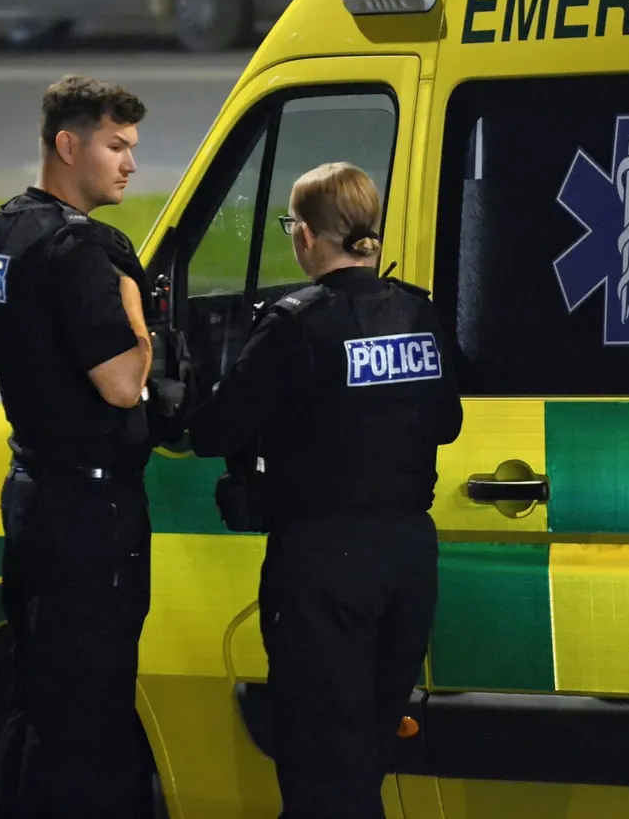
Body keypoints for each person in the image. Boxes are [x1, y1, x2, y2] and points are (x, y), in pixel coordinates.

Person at [185, 162, 465, 819]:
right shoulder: (418, 310)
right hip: (406, 559)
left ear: (308, 236)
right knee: (362, 757)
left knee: (320, 766)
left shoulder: (295, 324)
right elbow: (446, 422)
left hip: (324, 563)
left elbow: (213, 428)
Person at [0, 74, 157, 819]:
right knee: (94, 720)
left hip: (35, 494)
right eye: (116, 145)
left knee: (42, 706)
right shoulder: (81, 251)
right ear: (68, 144)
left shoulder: (4, 230)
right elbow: (121, 382)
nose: (130, 163)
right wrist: (138, 316)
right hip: (91, 512)